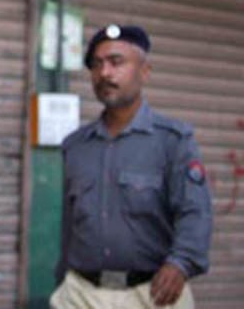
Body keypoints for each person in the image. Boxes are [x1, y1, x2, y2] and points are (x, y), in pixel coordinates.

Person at [50, 24, 212, 309]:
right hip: (80, 295)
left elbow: (194, 212)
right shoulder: (75, 146)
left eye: (116, 62)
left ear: (144, 71)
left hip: (151, 296)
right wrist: (61, 279)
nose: (105, 73)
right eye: (97, 65)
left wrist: (180, 264)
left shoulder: (173, 141)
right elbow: (69, 226)